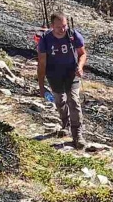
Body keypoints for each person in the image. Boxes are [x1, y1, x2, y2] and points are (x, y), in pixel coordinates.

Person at [37, 12, 88, 149]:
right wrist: (41, 87)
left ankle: (77, 134)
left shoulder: (73, 35)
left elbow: (82, 54)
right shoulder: (45, 40)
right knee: (59, 101)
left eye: (64, 26)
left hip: (71, 73)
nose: (62, 29)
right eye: (59, 27)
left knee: (74, 100)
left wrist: (80, 66)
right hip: (54, 75)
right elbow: (41, 65)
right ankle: (65, 123)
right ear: (52, 26)